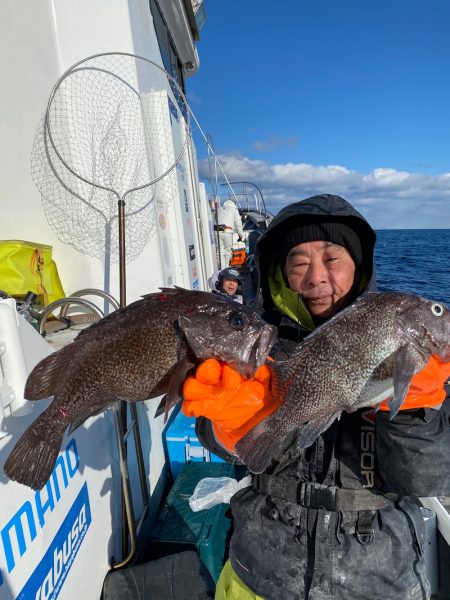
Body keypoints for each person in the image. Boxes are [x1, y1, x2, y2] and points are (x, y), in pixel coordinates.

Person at [182, 193, 450, 600]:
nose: (317, 278)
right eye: (299, 263)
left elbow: (427, 478)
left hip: (380, 579)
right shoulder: (257, 344)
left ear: (358, 267)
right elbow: (218, 440)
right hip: (260, 574)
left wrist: (419, 408)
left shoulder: (411, 350)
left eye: (333, 258)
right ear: (279, 274)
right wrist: (231, 425)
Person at [216, 199, 245, 268]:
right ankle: (226, 268)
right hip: (227, 231)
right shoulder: (234, 209)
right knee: (227, 251)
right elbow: (238, 223)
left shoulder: (219, 209)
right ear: (233, 204)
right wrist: (240, 235)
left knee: (220, 251)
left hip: (217, 231)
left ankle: (221, 268)